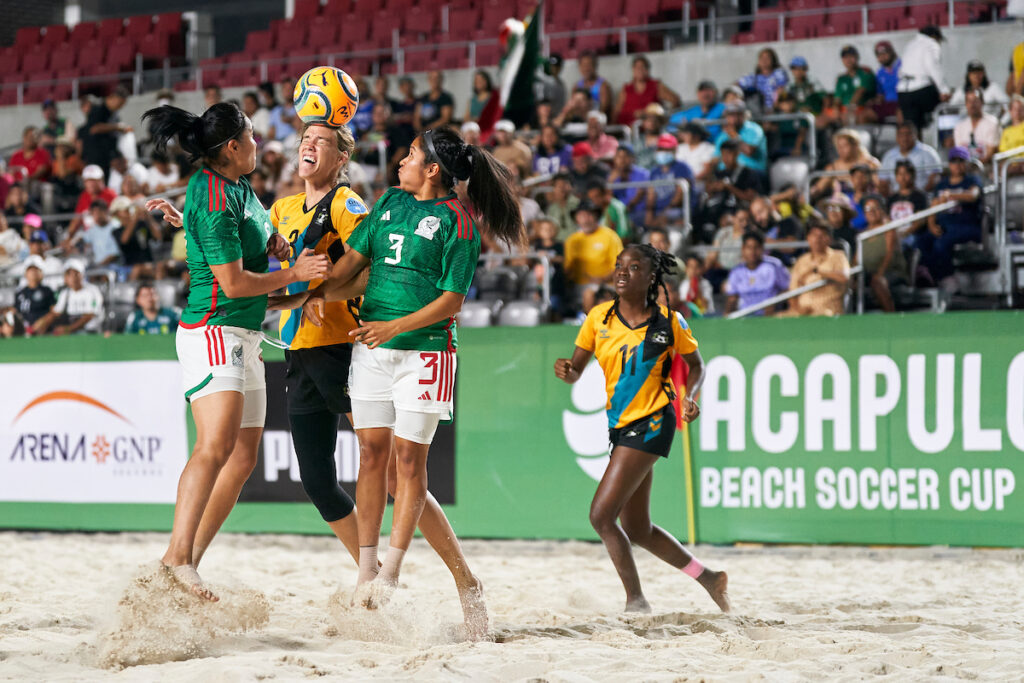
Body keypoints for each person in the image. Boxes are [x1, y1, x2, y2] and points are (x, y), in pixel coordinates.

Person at [297, 126, 523, 629]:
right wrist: (311, 295)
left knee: (407, 466)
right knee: (372, 455)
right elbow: (353, 264)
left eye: (411, 155)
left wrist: (391, 327)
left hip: (425, 353)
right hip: (374, 351)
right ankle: (368, 569)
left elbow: (451, 302)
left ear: (434, 170)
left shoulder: (459, 221)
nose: (401, 160)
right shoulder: (388, 204)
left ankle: (398, 575)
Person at [140, 102, 329, 601]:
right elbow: (234, 280)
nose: (258, 143)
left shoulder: (238, 186)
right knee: (214, 446)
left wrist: (279, 247)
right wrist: (296, 274)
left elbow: (258, 234)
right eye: (250, 136)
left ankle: (183, 563)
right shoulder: (212, 192)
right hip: (213, 331)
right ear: (231, 148)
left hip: (244, 336)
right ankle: (176, 559)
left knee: (243, 456)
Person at [553, 244, 729, 614]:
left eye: (633, 268)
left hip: (653, 420)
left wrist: (689, 396)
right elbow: (576, 370)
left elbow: (697, 366)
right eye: (619, 266)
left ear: (650, 278)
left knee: (601, 515)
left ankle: (636, 601)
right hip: (620, 427)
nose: (621, 272)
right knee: (637, 528)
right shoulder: (598, 318)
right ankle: (709, 578)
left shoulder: (670, 321)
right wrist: (568, 371)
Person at [919, 146, 983, 286]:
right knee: (922, 241)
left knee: (941, 243)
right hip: (944, 225)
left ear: (966, 163)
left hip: (966, 225)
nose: (957, 164)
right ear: (949, 164)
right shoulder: (942, 184)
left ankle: (947, 278)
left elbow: (973, 195)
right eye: (954, 161)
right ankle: (925, 275)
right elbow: (934, 204)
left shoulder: (972, 180)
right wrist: (931, 225)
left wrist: (951, 195)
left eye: (961, 161)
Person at [786, 222, 850, 317]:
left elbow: (844, 277)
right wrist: (798, 309)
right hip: (802, 312)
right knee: (776, 320)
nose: (818, 239)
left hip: (827, 312)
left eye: (822, 235)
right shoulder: (801, 261)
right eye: (814, 235)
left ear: (830, 239)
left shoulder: (838, 256)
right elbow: (792, 292)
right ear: (808, 238)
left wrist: (818, 271)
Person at [897, 26, 951, 133]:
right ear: (934, 36)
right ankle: (944, 139)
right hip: (921, 90)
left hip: (903, 91)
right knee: (946, 107)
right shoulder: (931, 44)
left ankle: (917, 146)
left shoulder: (910, 44)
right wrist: (944, 90)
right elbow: (933, 67)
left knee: (913, 127)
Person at [858, 194, 906, 312]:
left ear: (882, 210)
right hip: (867, 274)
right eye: (868, 209)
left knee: (878, 282)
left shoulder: (888, 229)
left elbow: (889, 254)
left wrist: (880, 273)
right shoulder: (862, 235)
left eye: (876, 208)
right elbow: (856, 259)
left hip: (891, 272)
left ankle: (891, 317)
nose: (872, 212)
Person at [565, 199, 623, 296]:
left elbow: (620, 266)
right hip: (577, 286)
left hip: (606, 286)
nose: (585, 219)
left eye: (589, 215)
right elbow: (568, 269)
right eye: (581, 216)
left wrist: (602, 279)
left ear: (597, 216)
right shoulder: (572, 240)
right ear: (576, 219)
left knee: (590, 293)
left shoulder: (610, 236)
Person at [724, 232, 790, 316]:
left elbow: (788, 289)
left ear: (762, 248)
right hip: (744, 317)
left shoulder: (774, 266)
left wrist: (774, 302)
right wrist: (727, 316)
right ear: (743, 249)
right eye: (749, 247)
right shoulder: (736, 271)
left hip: (770, 317)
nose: (752, 252)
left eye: (756, 247)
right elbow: (732, 298)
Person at [33, 260, 105, 335]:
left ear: (82, 275)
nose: (73, 277)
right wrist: (41, 324)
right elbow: (55, 313)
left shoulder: (92, 291)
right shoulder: (65, 293)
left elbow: (89, 316)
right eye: (69, 274)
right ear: (65, 278)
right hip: (72, 331)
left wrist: (68, 329)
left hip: (90, 331)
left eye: (76, 273)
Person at [811, 129, 880, 202]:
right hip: (843, 206)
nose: (840, 150)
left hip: (867, 204)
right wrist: (807, 194)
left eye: (845, 145)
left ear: (855, 145)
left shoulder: (871, 163)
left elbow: (879, 187)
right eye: (838, 146)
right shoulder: (833, 167)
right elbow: (818, 188)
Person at [645, 134, 695, 230]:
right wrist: (649, 216)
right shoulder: (654, 171)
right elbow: (651, 196)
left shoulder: (683, 168)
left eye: (667, 150)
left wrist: (663, 215)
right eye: (661, 149)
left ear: (675, 151)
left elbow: (679, 196)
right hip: (658, 212)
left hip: (677, 210)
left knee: (670, 217)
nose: (663, 152)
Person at [613, 55, 680, 126]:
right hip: (626, 128)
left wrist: (657, 115)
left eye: (643, 67)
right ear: (633, 69)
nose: (640, 70)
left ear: (648, 70)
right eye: (637, 68)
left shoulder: (656, 86)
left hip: (649, 128)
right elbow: (616, 111)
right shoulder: (626, 89)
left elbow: (675, 100)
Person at [879, 122, 942, 193]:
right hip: (896, 199)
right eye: (901, 134)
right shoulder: (889, 156)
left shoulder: (928, 153)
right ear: (896, 137)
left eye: (908, 134)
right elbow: (883, 182)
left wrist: (919, 196)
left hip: (923, 198)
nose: (904, 138)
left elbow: (934, 179)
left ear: (916, 135)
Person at [111, 195, 164, 280]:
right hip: (129, 266)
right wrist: (135, 217)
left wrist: (148, 217)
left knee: (160, 267)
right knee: (137, 269)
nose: (128, 211)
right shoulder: (116, 231)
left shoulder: (141, 224)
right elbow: (124, 240)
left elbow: (158, 236)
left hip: (148, 263)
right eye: (125, 210)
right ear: (117, 214)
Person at [81, 86, 131, 174]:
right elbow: (94, 128)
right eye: (120, 103)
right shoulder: (98, 109)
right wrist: (117, 127)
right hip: (95, 156)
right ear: (114, 98)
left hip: (107, 157)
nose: (121, 107)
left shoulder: (114, 115)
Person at [64, 164, 117, 244]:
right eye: (88, 181)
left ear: (101, 180)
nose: (91, 184)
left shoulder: (110, 194)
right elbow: (77, 219)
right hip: (89, 236)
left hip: (107, 235)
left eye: (94, 180)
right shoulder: (84, 196)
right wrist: (68, 239)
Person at [713, 103, 767, 173]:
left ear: (744, 115)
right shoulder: (722, 135)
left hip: (751, 171)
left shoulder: (754, 129)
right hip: (727, 172)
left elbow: (749, 151)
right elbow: (716, 157)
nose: (734, 118)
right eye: (731, 114)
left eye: (738, 114)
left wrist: (733, 135)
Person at [953, 89, 1001, 165]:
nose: (972, 105)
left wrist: (973, 166)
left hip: (986, 168)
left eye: (975, 101)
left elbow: (990, 154)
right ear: (966, 104)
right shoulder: (959, 126)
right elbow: (959, 153)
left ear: (982, 102)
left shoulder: (992, 123)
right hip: (965, 170)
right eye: (969, 101)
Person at [608, 145, 649, 228]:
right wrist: (610, 181)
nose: (622, 160)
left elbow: (639, 195)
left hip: (637, 211)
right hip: (618, 212)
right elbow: (608, 197)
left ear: (632, 158)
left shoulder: (643, 174)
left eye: (625, 156)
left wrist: (625, 210)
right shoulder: (612, 176)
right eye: (619, 157)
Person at [834, 45, 877, 125]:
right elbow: (837, 99)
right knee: (823, 119)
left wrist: (850, 108)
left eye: (851, 56)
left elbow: (860, 92)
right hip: (844, 109)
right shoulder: (842, 78)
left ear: (857, 57)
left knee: (855, 116)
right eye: (845, 57)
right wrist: (836, 109)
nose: (848, 60)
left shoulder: (865, 73)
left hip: (861, 108)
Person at [737, 47, 788, 113]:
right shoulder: (753, 77)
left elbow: (780, 89)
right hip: (759, 109)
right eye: (762, 58)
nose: (764, 61)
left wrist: (775, 104)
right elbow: (737, 85)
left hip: (775, 108)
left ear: (773, 60)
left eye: (767, 58)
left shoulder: (778, 73)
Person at [14, 256, 56, 330]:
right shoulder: (20, 293)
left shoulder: (47, 291)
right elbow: (16, 311)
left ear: (41, 273)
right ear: (25, 273)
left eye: (36, 269)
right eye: (30, 270)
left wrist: (43, 322)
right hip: (23, 329)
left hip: (43, 329)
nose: (33, 272)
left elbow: (54, 312)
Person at [76, 199, 122, 267]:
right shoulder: (92, 230)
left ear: (106, 211)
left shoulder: (116, 226)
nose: (97, 215)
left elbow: (115, 255)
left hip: (115, 265)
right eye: (94, 213)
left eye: (100, 212)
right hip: (98, 267)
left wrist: (99, 266)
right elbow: (81, 241)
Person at [887, 160, 931, 232]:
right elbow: (887, 219)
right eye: (900, 174)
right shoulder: (891, 198)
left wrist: (905, 234)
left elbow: (920, 221)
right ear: (896, 177)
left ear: (913, 176)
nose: (903, 178)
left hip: (914, 235)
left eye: (906, 174)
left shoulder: (920, 196)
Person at [675, 122, 715, 188]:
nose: (684, 136)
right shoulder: (680, 148)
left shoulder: (708, 148)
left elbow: (707, 170)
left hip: (699, 184)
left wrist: (690, 180)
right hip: (680, 183)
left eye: (687, 133)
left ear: (697, 135)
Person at [575, 51, 613, 118]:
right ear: (579, 67)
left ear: (595, 65)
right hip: (581, 121)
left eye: (589, 65)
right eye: (583, 65)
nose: (586, 69)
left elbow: (604, 109)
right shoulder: (577, 86)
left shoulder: (603, 86)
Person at [546, 171, 581, 241]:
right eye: (558, 185)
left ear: (571, 187)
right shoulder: (552, 208)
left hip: (577, 242)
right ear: (554, 189)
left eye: (565, 184)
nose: (562, 188)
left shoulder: (579, 205)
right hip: (557, 245)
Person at [871, 40, 901, 122]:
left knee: (901, 112)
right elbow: (880, 95)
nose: (882, 57)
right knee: (865, 114)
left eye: (885, 53)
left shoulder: (902, 66)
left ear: (892, 52)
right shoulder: (880, 72)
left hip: (902, 102)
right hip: (887, 104)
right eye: (879, 55)